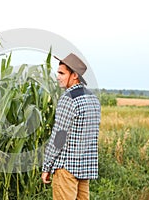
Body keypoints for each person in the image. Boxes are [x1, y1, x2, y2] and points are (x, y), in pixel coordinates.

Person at [41, 53, 101, 200]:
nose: (58, 77)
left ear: (74, 75)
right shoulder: (93, 99)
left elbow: (59, 138)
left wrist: (46, 167)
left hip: (66, 168)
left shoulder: (68, 99)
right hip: (85, 168)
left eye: (62, 73)